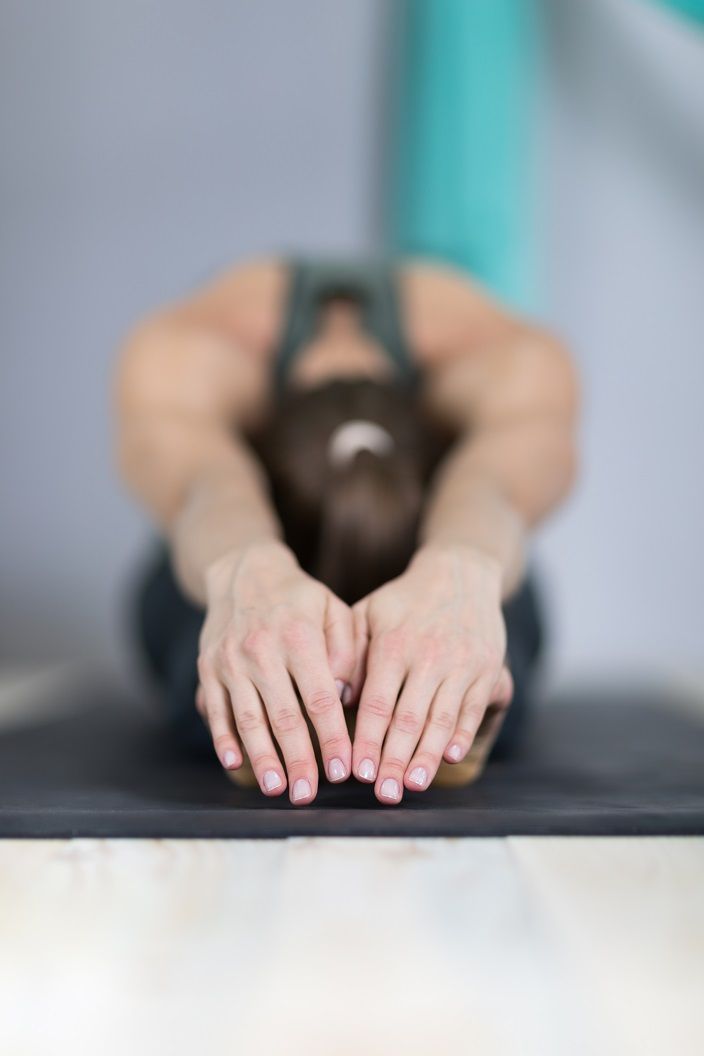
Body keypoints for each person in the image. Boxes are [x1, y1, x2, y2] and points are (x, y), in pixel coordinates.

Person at [115, 257, 579, 806]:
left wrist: (461, 568)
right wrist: (244, 569)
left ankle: (451, 647)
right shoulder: (178, 357)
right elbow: (207, 488)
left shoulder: (516, 363)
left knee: (499, 672)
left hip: (442, 545)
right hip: (235, 552)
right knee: (200, 681)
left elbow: (492, 488)